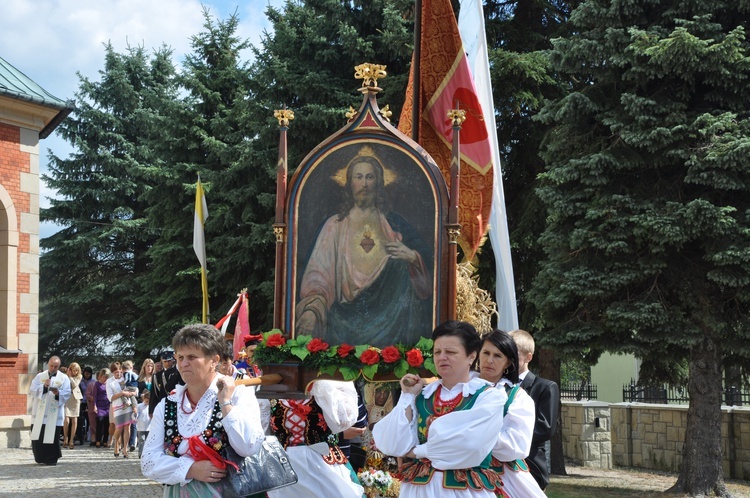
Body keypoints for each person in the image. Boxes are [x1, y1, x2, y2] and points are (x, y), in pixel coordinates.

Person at [296, 145, 432, 347]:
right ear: (349, 183)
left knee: (399, 268)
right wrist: (312, 309)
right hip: (343, 318)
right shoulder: (335, 226)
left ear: (379, 183)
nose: (364, 184)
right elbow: (319, 275)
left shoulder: (395, 224)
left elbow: (429, 265)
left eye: (370, 177)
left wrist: (413, 257)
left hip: (391, 318)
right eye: (358, 177)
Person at [372, 321, 507, 497]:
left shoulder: (489, 397)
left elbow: (468, 445)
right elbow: (393, 442)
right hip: (418, 490)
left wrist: (416, 452)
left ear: (471, 356)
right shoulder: (423, 395)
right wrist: (408, 396)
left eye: (450, 352)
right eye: (437, 352)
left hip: (463, 491)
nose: (442, 357)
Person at [141, 323, 265, 497]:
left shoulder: (238, 394)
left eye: (192, 357)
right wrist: (190, 469)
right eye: (180, 357)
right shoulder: (168, 405)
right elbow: (148, 462)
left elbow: (249, 446)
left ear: (214, 360)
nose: (184, 364)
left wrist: (226, 403)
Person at [267, 380, 364, 498]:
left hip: (323, 465)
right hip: (285, 469)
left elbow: (345, 421)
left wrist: (321, 383)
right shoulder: (273, 383)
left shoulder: (330, 383)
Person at [478, 330, 545, 497]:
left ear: (508, 362)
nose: (489, 360)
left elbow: (516, 447)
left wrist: (473, 436)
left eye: (498, 356)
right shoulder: (460, 387)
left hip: (503, 476)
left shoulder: (517, 397)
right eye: (485, 353)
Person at [509, 329, 560, 491]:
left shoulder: (545, 387)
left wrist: (505, 438)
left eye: (513, 354)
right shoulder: (498, 386)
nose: (508, 359)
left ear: (528, 357)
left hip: (529, 464)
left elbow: (545, 428)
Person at [29, 356, 72, 465]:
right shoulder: (40, 376)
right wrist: (43, 387)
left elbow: (67, 392)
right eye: (51, 365)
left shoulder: (64, 378)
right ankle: (40, 458)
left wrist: (59, 393)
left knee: (52, 437)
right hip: (39, 415)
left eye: (55, 366)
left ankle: (52, 459)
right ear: (48, 364)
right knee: (38, 437)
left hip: (54, 414)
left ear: (59, 366)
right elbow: (32, 390)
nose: (53, 368)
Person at [107, 362, 138, 458]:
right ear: (112, 372)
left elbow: (134, 387)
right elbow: (110, 397)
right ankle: (116, 442)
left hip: (127, 404)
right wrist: (122, 393)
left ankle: (125, 448)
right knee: (119, 427)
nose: (118, 374)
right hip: (117, 406)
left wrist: (134, 392)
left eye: (120, 372)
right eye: (116, 372)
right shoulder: (109, 381)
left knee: (127, 427)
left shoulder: (125, 377)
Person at [149, 350, 183, 417]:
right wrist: (151, 410)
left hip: (178, 404)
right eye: (165, 361)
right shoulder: (157, 375)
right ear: (162, 361)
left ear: (173, 360)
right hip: (163, 405)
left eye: (169, 361)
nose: (167, 363)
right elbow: (154, 393)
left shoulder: (178, 373)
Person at [63, 362, 83, 449]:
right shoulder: (64, 376)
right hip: (67, 398)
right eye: (74, 370)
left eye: (77, 371)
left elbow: (75, 385)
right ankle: (65, 437)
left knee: (74, 420)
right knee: (66, 420)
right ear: (70, 370)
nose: (75, 372)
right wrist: (67, 376)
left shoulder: (79, 376)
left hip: (75, 398)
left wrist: (70, 377)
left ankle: (71, 439)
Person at [93, 368, 111, 447]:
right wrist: (94, 405)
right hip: (100, 405)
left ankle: (105, 440)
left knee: (107, 423)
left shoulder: (109, 384)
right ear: (100, 376)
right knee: (99, 422)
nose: (104, 379)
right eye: (103, 377)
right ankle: (98, 440)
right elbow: (95, 396)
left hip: (107, 405)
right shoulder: (97, 384)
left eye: (106, 377)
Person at [77, 366, 94, 445]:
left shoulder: (93, 381)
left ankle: (89, 435)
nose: (87, 375)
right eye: (86, 373)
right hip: (82, 401)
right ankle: (80, 434)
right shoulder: (80, 381)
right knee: (81, 418)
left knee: (89, 419)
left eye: (89, 374)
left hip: (90, 402)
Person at [135, 390, 151, 458]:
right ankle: (140, 453)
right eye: (146, 401)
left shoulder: (152, 406)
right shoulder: (139, 406)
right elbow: (135, 415)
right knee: (142, 440)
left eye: (148, 401)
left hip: (149, 426)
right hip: (141, 426)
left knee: (148, 441)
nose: (147, 403)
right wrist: (135, 415)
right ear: (144, 399)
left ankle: (147, 453)